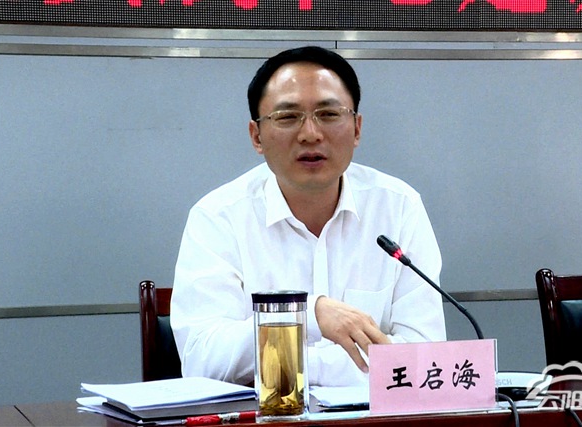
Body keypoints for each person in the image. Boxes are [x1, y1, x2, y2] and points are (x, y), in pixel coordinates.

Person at [170, 46, 446, 387]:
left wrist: (288, 360)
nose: (310, 134)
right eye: (288, 117)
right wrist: (309, 314)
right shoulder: (217, 217)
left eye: (328, 114)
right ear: (257, 136)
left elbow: (423, 355)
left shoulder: (398, 207)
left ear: (357, 129)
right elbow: (202, 359)